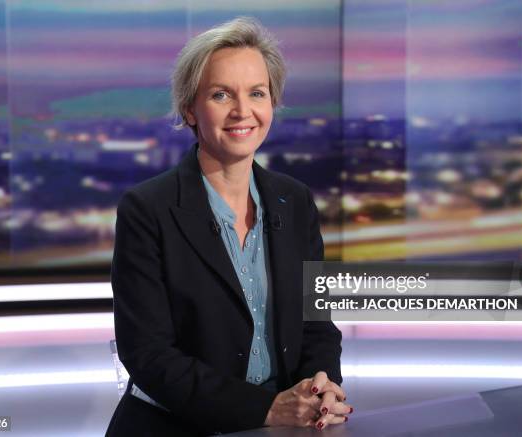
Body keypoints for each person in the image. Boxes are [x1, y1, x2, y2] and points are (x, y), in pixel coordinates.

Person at [105, 17, 351, 437]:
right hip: (174, 427)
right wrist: (266, 408)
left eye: (257, 93)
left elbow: (316, 323)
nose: (243, 111)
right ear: (189, 109)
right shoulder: (147, 209)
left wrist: (321, 384)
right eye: (221, 95)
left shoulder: (295, 202)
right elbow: (148, 354)